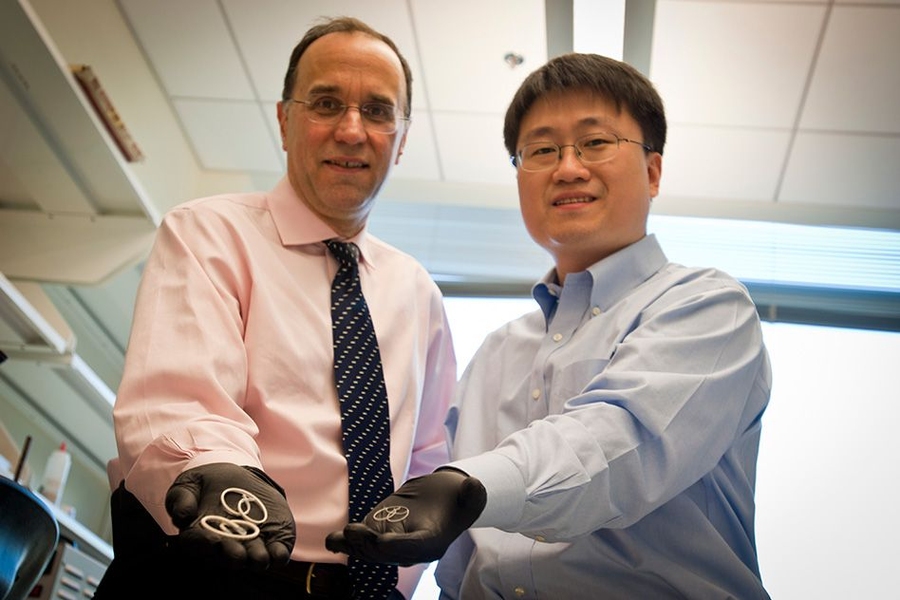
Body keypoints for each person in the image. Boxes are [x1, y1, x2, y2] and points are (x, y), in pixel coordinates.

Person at [326, 52, 773, 599]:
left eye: (596, 142)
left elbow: (618, 439)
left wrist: (470, 488)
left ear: (652, 172)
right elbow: (459, 556)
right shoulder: (496, 352)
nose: (567, 168)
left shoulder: (707, 308)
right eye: (540, 150)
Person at [93, 16, 456, 600]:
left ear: (403, 138)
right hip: (212, 571)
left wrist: (397, 575)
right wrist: (224, 478)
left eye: (379, 111)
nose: (352, 129)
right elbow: (180, 399)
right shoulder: (208, 233)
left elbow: (425, 458)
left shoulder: (419, 292)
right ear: (286, 121)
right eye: (327, 103)